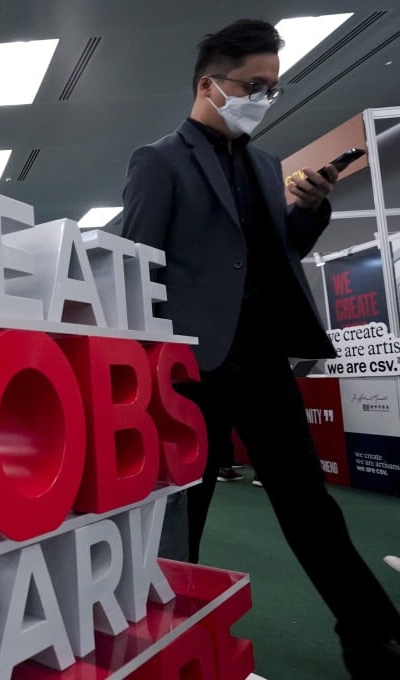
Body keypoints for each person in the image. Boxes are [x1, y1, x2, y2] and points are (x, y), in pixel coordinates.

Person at [121, 19, 399, 677]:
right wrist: (150, 370)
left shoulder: (267, 165)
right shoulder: (159, 161)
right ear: (209, 84)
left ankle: (371, 636)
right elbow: (134, 270)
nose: (262, 99)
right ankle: (160, 640)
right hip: (193, 369)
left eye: (272, 89)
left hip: (264, 361)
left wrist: (307, 211)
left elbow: (273, 261)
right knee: (185, 512)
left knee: (310, 502)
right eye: (253, 86)